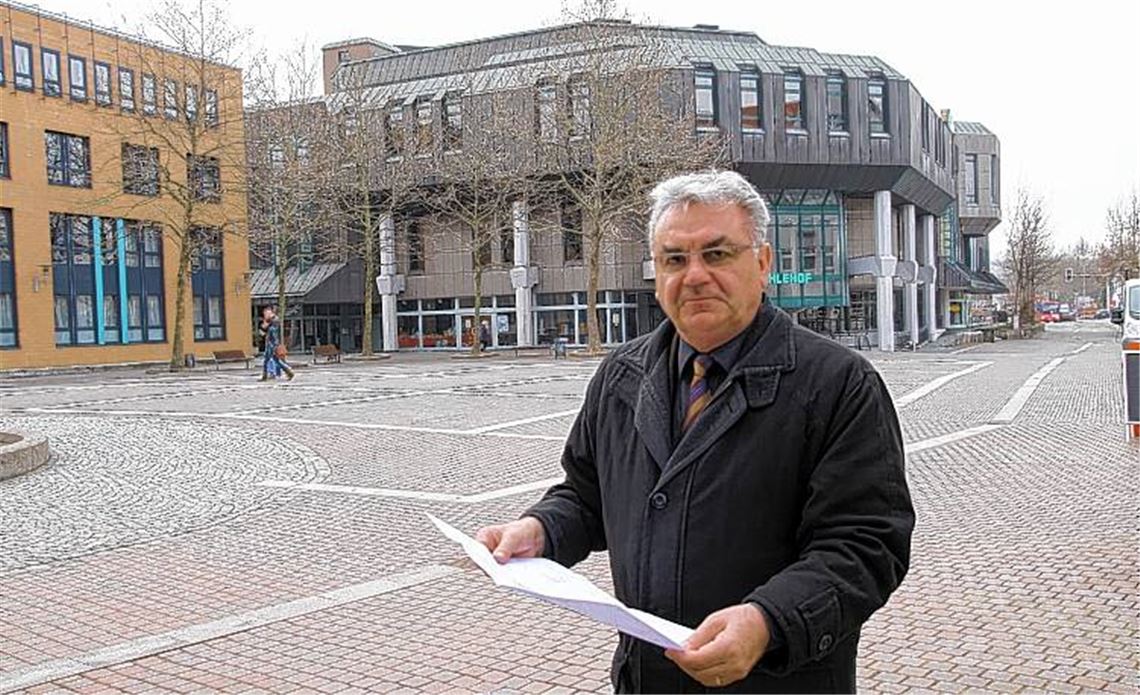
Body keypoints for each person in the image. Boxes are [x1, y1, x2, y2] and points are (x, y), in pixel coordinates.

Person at [476, 170, 914, 693]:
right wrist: (542, 530)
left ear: (763, 263)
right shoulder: (622, 375)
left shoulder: (839, 385)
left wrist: (767, 621)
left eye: (718, 254)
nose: (695, 275)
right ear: (657, 274)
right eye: (675, 259)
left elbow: (865, 547)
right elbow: (587, 493)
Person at [260, 306, 294, 381]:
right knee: (276, 360)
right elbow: (264, 330)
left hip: (271, 344)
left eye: (265, 313)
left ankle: (265, 376)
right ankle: (289, 372)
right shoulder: (273, 321)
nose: (265, 315)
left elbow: (269, 331)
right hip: (272, 343)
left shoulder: (273, 321)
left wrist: (266, 325)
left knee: (267, 360)